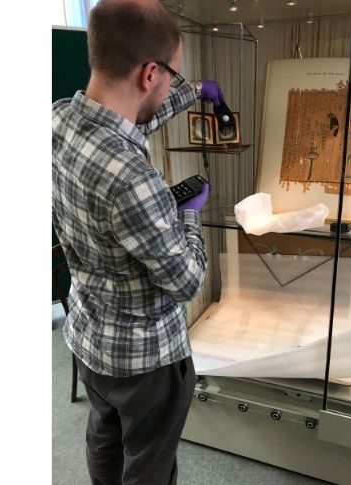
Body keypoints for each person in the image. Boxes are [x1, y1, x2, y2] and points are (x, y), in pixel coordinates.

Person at [51, 1, 224, 483]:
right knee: (149, 465)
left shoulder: (58, 121)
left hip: (90, 337)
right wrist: (188, 215)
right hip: (147, 360)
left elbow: (133, 118)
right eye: (173, 75)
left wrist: (191, 93)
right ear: (150, 73)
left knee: (104, 442)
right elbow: (186, 280)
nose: (171, 83)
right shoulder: (131, 178)